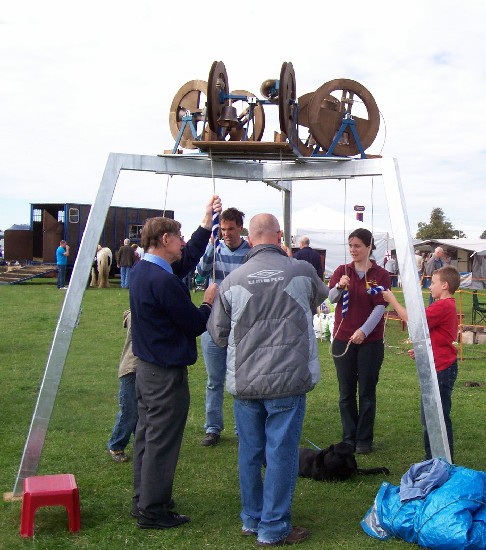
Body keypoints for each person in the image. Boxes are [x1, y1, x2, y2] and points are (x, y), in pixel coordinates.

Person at [208, 213, 329, 546]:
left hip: (246, 381)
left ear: (249, 237)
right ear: (279, 236)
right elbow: (319, 299)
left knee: (250, 451)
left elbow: (217, 334)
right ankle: (273, 526)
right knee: (281, 453)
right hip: (288, 380)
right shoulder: (302, 270)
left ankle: (252, 518)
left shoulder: (232, 281)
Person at [129, 196, 221, 530]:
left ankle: (142, 500)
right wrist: (208, 303)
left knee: (146, 436)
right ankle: (154, 510)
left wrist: (204, 223)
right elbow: (195, 324)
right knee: (162, 442)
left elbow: (186, 262)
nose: (183, 243)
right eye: (179, 238)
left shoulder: (145, 270)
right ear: (165, 240)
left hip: (147, 370)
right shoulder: (162, 282)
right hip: (165, 375)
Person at [382, 265, 460, 462]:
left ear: (444, 285)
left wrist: (393, 300)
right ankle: (435, 460)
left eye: (433, 283)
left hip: (441, 369)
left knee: (436, 419)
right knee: (431, 417)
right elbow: (436, 336)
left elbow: (414, 321)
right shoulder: (445, 305)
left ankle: (439, 461)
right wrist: (422, 351)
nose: (429, 287)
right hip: (439, 365)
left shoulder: (443, 306)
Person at [328, 228, 391, 455]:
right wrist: (339, 287)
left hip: (370, 342)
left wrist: (364, 331)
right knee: (346, 393)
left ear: (369, 247)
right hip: (343, 338)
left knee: (366, 391)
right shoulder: (341, 271)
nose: (353, 250)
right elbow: (332, 299)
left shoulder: (380, 275)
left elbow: (380, 306)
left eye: (358, 246)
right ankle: (348, 437)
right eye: (351, 245)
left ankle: (364, 439)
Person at [196, 207, 251, 447]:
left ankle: (243, 427)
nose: (226, 233)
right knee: (214, 380)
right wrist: (210, 244)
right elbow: (199, 275)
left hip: (243, 326)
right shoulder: (215, 250)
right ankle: (213, 428)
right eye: (223, 229)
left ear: (240, 228)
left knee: (242, 380)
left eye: (230, 229)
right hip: (214, 326)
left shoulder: (251, 254)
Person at [107, 310, 137, 463]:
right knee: (129, 411)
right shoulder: (137, 313)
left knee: (142, 410)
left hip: (144, 369)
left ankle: (142, 443)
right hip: (131, 368)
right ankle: (116, 445)